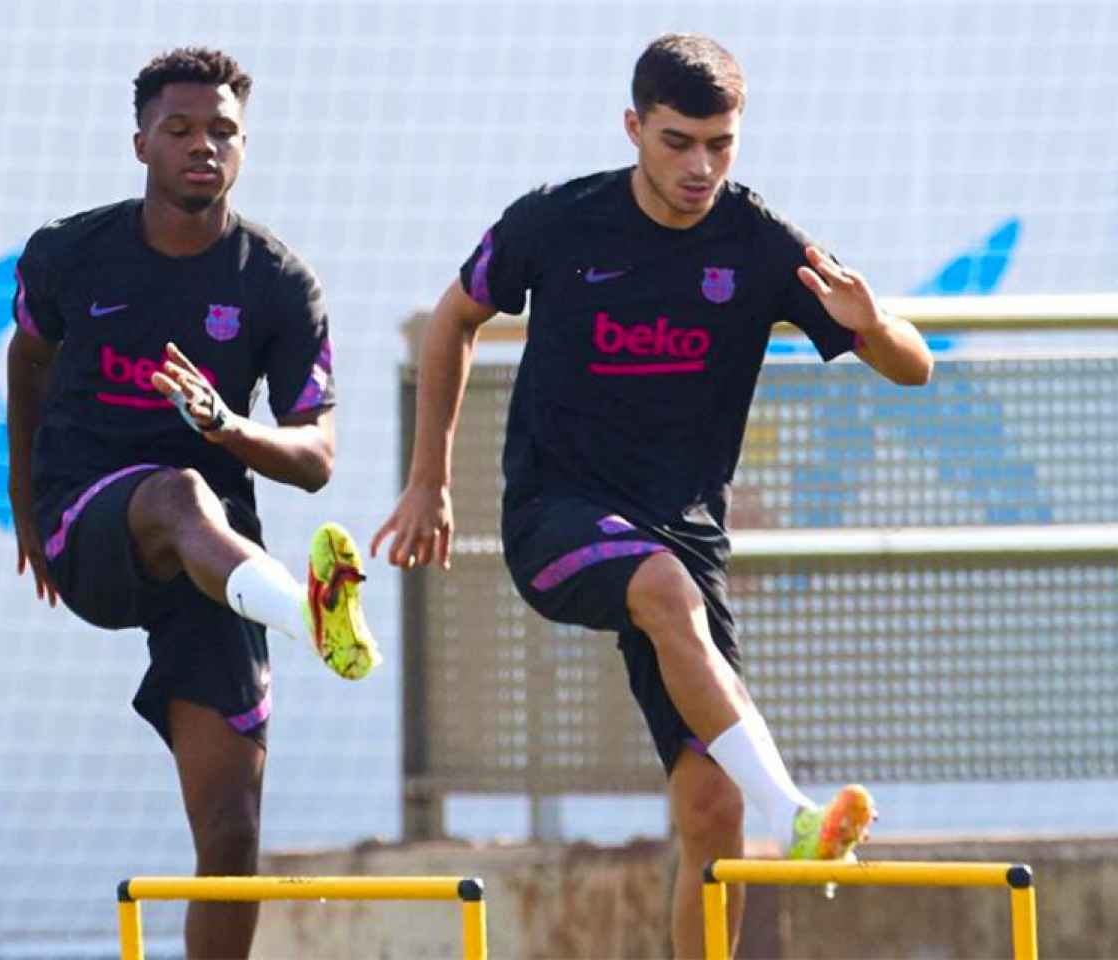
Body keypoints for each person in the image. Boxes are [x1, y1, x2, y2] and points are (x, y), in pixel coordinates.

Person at [373, 33, 931, 958]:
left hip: (685, 537)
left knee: (710, 812)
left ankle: (753, 831)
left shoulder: (761, 244)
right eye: (678, 142)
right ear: (633, 127)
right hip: (556, 517)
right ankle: (795, 811)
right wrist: (429, 480)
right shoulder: (559, 221)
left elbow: (912, 371)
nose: (701, 166)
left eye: (721, 144)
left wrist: (876, 327)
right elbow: (453, 320)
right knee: (663, 590)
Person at [6, 48, 375, 959]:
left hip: (218, 564)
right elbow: (29, 362)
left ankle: (292, 608)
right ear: (141, 144)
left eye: (222, 132)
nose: (202, 147)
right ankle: (308, 612)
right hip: (90, 519)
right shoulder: (70, 252)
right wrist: (24, 505)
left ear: (244, 147)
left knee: (233, 836)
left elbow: (317, 458)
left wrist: (229, 429)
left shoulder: (278, 282)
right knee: (173, 494)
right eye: (180, 130)